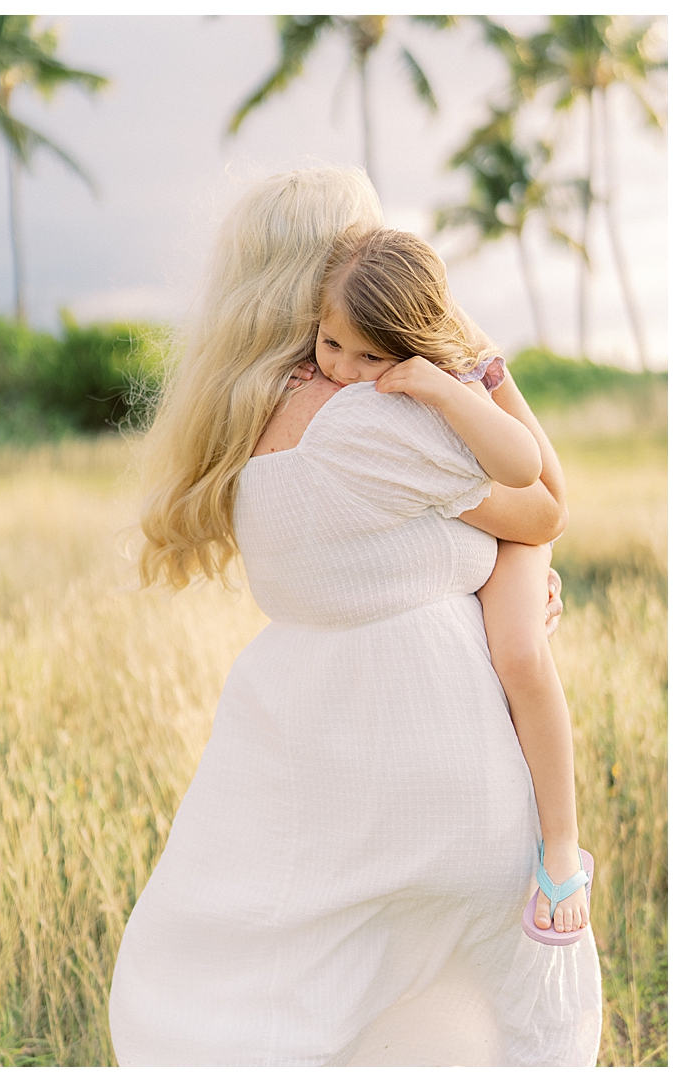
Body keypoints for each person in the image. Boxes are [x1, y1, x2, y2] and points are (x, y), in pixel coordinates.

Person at [108, 166, 601, 1065]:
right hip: (434, 763)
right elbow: (545, 509)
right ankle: (565, 855)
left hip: (318, 755)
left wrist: (485, 574)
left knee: (326, 1003)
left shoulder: (251, 419)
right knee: (469, 1021)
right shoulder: (369, 419)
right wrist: (482, 373)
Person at [311, 228, 590, 942]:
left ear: (409, 345)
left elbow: (523, 468)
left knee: (520, 657)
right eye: (329, 343)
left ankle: (561, 845)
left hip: (514, 531)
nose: (343, 367)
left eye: (369, 355)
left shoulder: (439, 378)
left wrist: (446, 388)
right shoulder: (337, 387)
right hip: (468, 532)